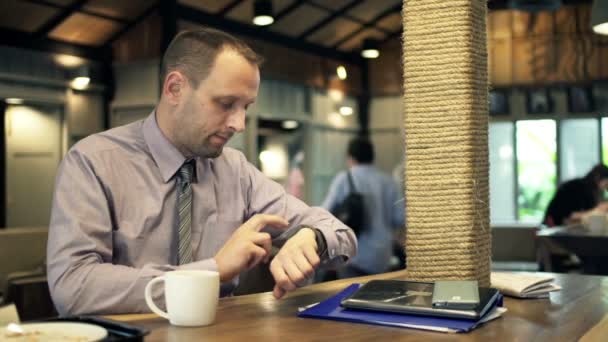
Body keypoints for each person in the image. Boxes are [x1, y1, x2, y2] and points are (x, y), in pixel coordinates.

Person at [47, 28, 357, 315]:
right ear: (175, 88)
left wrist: (311, 237)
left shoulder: (235, 170)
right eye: (226, 104)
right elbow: (72, 287)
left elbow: (341, 233)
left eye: (245, 107)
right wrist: (213, 270)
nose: (239, 124)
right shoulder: (95, 162)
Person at [322, 138, 404, 278]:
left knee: (350, 296)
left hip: (353, 255)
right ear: (372, 157)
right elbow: (399, 218)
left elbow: (325, 211)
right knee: (378, 297)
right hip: (382, 257)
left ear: (350, 157)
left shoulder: (344, 178)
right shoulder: (388, 182)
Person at [543, 163, 608, 227]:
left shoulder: (590, 192)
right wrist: (597, 210)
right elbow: (569, 215)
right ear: (597, 178)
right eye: (606, 184)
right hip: (554, 225)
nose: (605, 188)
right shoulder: (576, 187)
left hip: (564, 226)